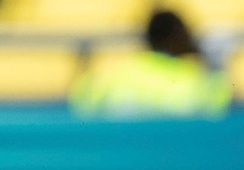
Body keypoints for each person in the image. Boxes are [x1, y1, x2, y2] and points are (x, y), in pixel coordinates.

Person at [71, 7, 231, 114]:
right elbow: (218, 108)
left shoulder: (120, 74)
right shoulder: (193, 78)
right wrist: (205, 60)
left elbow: (83, 100)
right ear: (179, 38)